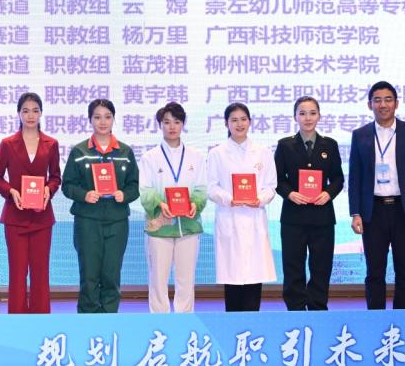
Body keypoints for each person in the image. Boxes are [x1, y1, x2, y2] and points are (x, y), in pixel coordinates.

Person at [349, 80, 405, 309]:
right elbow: (355, 177)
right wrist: (355, 212)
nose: (383, 105)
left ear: (396, 103)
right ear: (370, 105)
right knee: (374, 271)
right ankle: (376, 320)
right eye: (377, 100)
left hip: (404, 210)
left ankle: (404, 321)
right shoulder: (360, 135)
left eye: (388, 99)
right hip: (372, 211)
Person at [62, 98, 139, 313]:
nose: (102, 122)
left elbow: (135, 186)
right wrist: (84, 195)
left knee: (112, 274)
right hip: (87, 221)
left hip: (117, 221)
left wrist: (124, 194)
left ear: (114, 119)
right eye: (97, 117)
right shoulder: (79, 152)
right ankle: (88, 322)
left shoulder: (125, 152)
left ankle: (109, 320)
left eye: (107, 117)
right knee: (89, 275)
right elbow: (67, 185)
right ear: (90, 120)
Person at [0, 92, 61, 313]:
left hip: (42, 217)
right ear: (18, 114)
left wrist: (48, 189)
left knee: (40, 272)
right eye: (26, 111)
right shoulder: (7, 144)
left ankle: (40, 321)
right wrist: (11, 191)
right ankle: (17, 321)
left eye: (35, 110)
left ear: (41, 113)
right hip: (15, 216)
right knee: (18, 272)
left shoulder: (51, 144)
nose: (30, 115)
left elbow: (56, 177)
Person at [274, 96, 344, 311]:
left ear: (319, 116)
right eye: (302, 113)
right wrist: (290, 193)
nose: (307, 118)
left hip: (322, 217)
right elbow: (277, 179)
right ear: (295, 116)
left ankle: (318, 308)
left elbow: (338, 178)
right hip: (293, 216)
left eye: (312, 113)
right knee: (293, 265)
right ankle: (295, 309)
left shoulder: (329, 145)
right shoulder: (285, 145)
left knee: (321, 266)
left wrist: (328, 193)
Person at [206, 102, 277, 312]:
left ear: (250, 122)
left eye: (243, 119)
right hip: (229, 217)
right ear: (226, 124)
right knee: (233, 277)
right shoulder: (217, 153)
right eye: (234, 120)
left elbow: (271, 186)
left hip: (254, 219)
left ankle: (253, 322)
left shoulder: (263, 152)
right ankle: (233, 323)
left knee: (254, 276)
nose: (239, 124)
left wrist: (260, 199)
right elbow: (211, 187)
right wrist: (229, 199)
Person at [138, 102, 207, 313]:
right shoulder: (150, 157)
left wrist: (195, 204)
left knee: (186, 278)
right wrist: (160, 204)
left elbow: (202, 188)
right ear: (160, 125)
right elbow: (145, 190)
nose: (172, 127)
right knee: (158, 278)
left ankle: (185, 318)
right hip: (160, 226)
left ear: (183, 124)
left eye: (176, 122)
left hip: (189, 226)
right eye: (166, 122)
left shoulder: (196, 156)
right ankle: (159, 319)